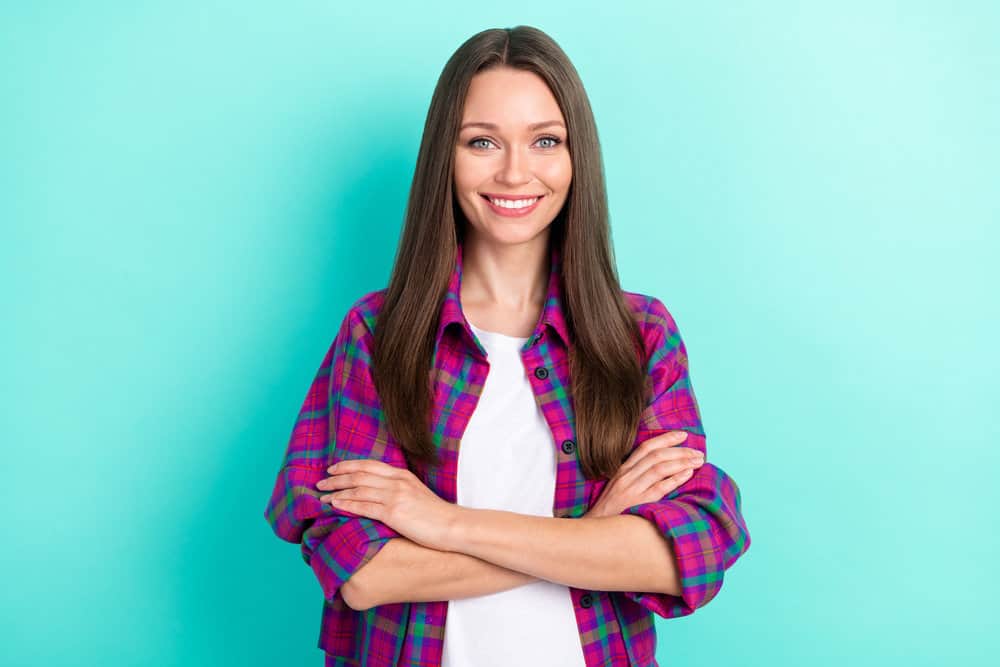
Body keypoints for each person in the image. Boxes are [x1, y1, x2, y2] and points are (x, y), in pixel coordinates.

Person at [264, 25, 750, 667]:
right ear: (447, 156)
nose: (515, 171)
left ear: (578, 159)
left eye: (545, 141)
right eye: (483, 141)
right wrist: (594, 537)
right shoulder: (379, 334)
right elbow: (364, 575)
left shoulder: (640, 336)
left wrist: (442, 523)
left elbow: (683, 553)